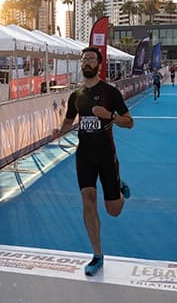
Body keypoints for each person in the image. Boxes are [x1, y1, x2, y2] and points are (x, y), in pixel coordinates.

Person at [52, 46, 134, 277]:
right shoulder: (75, 96)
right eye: (84, 58)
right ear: (81, 64)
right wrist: (59, 132)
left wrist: (110, 116)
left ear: (99, 64)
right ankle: (97, 255)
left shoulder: (110, 92)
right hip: (84, 156)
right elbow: (69, 122)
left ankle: (117, 187)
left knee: (113, 210)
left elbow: (129, 122)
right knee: (88, 200)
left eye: (91, 58)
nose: (87, 62)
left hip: (107, 156)